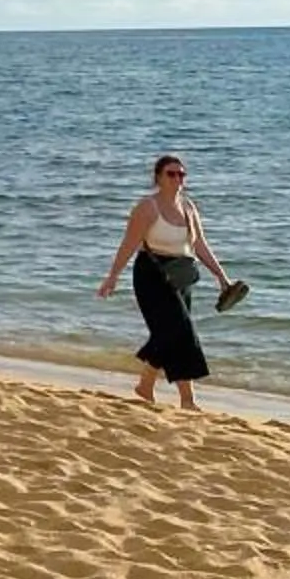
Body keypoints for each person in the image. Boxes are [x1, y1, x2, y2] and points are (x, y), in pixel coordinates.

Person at [98, 153, 234, 409]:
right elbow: (128, 245)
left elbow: (199, 245)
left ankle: (145, 386)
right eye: (171, 174)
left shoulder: (189, 208)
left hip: (181, 274)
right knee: (181, 332)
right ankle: (188, 400)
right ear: (158, 177)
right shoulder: (147, 208)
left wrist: (222, 277)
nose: (177, 179)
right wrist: (112, 277)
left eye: (181, 174)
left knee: (168, 334)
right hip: (151, 274)